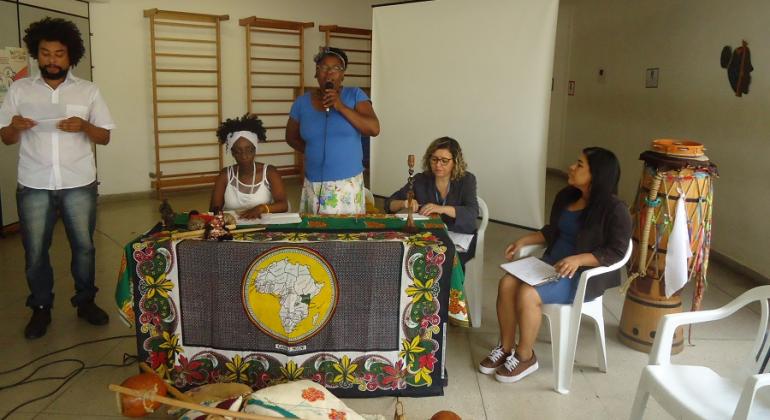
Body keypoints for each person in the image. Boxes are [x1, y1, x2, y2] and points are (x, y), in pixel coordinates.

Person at [0, 18, 116, 339]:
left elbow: (104, 137)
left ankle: (85, 302)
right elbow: (6, 138)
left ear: (70, 56)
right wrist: (15, 128)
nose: (52, 59)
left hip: (79, 182)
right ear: (37, 54)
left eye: (59, 54)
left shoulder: (88, 90)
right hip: (33, 183)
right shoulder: (20, 90)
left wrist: (85, 127)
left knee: (84, 247)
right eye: (45, 53)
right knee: (35, 250)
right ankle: (40, 308)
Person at [478, 147, 631, 383]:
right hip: (549, 265)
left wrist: (580, 258)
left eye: (579, 164)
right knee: (507, 283)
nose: (571, 167)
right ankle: (505, 348)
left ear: (596, 174)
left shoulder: (614, 209)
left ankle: (525, 355)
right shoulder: (566, 196)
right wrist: (523, 241)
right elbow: (553, 231)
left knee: (528, 293)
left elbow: (617, 251)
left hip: (579, 277)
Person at [285, 47, 380, 215]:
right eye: (324, 67)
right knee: (315, 234)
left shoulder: (355, 95)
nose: (329, 73)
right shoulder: (301, 103)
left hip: (346, 185)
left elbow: (373, 128)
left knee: (346, 234)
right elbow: (291, 137)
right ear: (316, 73)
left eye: (336, 68)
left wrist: (340, 106)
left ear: (343, 75)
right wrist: (313, 152)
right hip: (313, 183)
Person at [385, 136, 479, 264]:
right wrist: (404, 203)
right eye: (434, 159)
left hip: (459, 234)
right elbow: (389, 203)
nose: (438, 165)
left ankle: (451, 285)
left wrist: (442, 209)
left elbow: (472, 212)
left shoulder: (466, 180)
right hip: (429, 235)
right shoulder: (421, 180)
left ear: (455, 162)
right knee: (409, 256)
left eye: (444, 161)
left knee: (446, 260)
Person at [209, 114, 288, 218]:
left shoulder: (270, 172)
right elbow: (214, 209)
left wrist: (262, 208)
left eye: (249, 150)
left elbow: (283, 205)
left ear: (255, 149)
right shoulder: (225, 175)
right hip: (233, 226)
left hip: (263, 226)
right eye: (238, 151)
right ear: (232, 152)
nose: (244, 156)